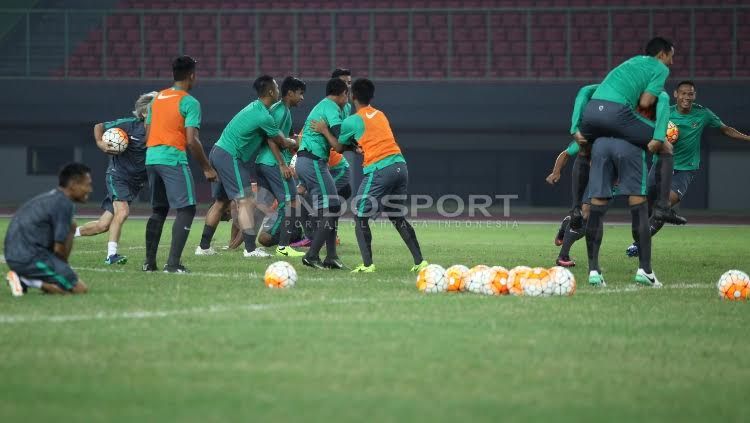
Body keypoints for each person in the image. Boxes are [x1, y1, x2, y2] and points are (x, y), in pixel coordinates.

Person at [311, 78, 428, 273]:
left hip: (380, 169)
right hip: (400, 166)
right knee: (397, 215)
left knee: (359, 215)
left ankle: (367, 265)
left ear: (352, 96)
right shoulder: (381, 115)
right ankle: (420, 262)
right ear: (371, 96)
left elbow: (338, 147)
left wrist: (324, 130)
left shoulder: (352, 120)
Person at [625, 80, 750, 256]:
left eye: (690, 94)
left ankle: (638, 245)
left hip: (685, 169)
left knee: (664, 205)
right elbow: (645, 129)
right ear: (676, 94)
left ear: (694, 96)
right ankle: (643, 236)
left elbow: (726, 129)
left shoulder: (703, 113)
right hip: (660, 164)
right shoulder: (665, 112)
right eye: (683, 93)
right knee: (647, 207)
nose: (687, 97)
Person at [578, 37, 684, 226]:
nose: (672, 62)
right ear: (662, 54)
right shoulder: (660, 68)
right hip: (616, 113)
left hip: (592, 112)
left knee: (585, 152)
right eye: (671, 56)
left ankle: (575, 209)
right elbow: (645, 102)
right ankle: (662, 208)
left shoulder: (633, 61)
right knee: (666, 147)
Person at [195, 75, 297, 258]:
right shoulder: (263, 116)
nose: (279, 90)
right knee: (245, 200)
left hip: (219, 152)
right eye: (276, 87)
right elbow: (281, 141)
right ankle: (250, 249)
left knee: (220, 202)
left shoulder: (254, 108)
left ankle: (203, 247)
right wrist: (294, 141)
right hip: (230, 156)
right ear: (272, 92)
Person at [143, 55, 217, 273]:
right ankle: (173, 264)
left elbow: (147, 133)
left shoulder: (157, 98)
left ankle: (149, 263)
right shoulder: (189, 102)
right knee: (186, 209)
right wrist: (206, 167)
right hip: (172, 158)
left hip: (151, 157)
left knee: (159, 209)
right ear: (191, 76)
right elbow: (191, 140)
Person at [76, 91, 157, 265]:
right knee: (123, 212)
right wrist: (100, 143)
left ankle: (65, 234)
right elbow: (99, 126)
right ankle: (111, 256)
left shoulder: (160, 131)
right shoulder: (128, 125)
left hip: (135, 183)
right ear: (144, 114)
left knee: (102, 225)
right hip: (118, 176)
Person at [5, 163, 92, 296]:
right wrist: (63, 269)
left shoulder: (52, 197)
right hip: (29, 257)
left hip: (15, 254)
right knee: (79, 289)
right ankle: (26, 280)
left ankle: (25, 278)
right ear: (73, 184)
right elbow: (59, 248)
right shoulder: (64, 204)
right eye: (87, 185)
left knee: (72, 225)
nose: (90, 189)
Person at [295, 78, 349, 269]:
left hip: (311, 161)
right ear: (342, 94)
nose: (348, 97)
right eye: (347, 92)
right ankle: (312, 255)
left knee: (332, 206)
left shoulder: (329, 106)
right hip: (312, 161)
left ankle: (331, 256)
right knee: (330, 208)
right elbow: (340, 137)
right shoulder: (331, 107)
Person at [254, 76, 307, 257]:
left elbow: (288, 138)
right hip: (272, 163)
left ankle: (244, 245)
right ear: (290, 93)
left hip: (265, 162)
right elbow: (271, 138)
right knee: (292, 201)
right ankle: (283, 246)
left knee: (262, 204)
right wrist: (283, 164)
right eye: (300, 94)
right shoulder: (281, 111)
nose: (302, 98)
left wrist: (296, 143)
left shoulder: (283, 111)